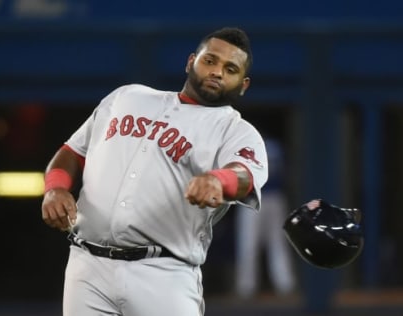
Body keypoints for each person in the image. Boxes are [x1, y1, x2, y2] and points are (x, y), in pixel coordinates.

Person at [41, 27, 268, 316]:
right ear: (191, 62)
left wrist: (218, 180)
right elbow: (72, 152)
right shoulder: (128, 97)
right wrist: (55, 188)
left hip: (163, 273)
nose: (217, 72)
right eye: (210, 61)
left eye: (230, 68)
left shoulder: (236, 131)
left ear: (243, 84)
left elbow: (245, 175)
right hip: (87, 267)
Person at [234, 138, 296, 299]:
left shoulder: (245, 145)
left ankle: (247, 288)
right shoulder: (275, 146)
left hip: (256, 197)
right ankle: (284, 285)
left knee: (251, 244)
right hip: (272, 197)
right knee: (273, 244)